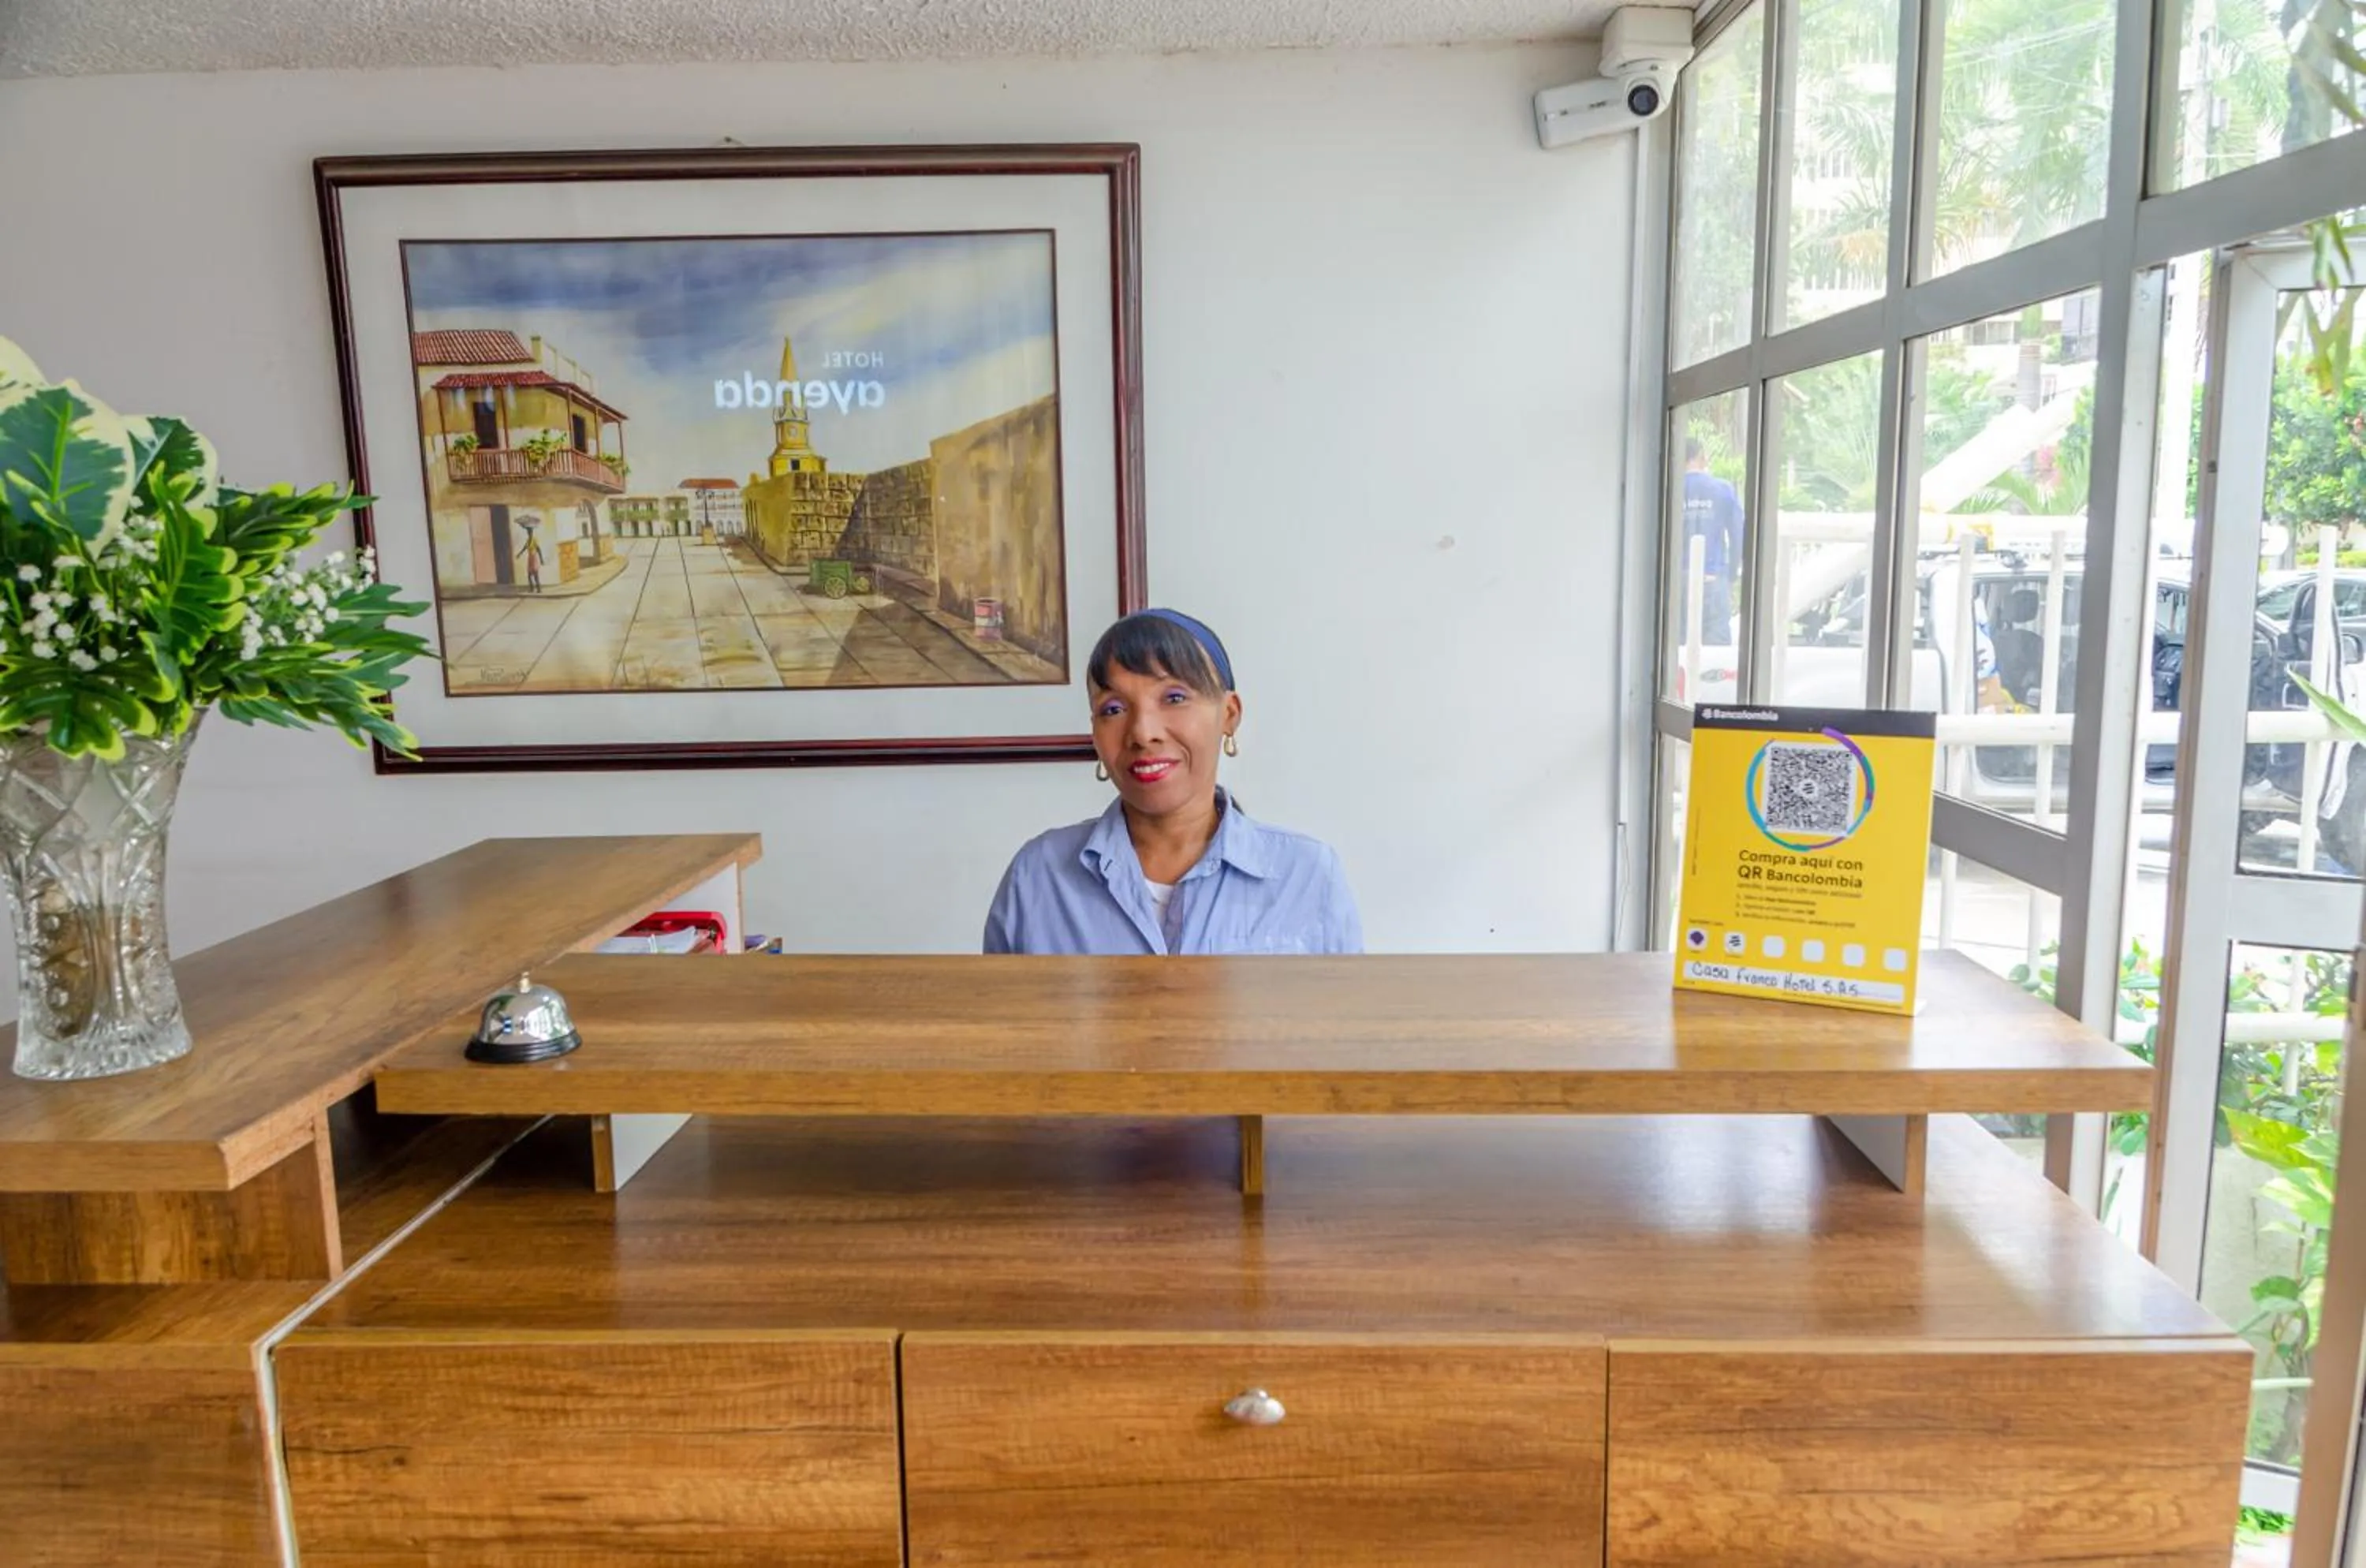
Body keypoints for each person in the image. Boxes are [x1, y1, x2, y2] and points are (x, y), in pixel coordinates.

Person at [984, 609, 1362, 955]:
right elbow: (1000, 1028)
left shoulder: (1306, 875)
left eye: (1175, 697)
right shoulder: (1039, 875)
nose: (1143, 733)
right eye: (1113, 709)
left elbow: (1342, 1025)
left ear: (1229, 714)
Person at [1680, 439, 1743, 644]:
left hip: (1676, 581)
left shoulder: (1666, 488)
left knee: (1675, 650)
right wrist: (1732, 574)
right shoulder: (1722, 489)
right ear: (1702, 457)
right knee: (1716, 658)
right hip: (1713, 577)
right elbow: (1738, 535)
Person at [516, 529, 545, 593]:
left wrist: (541, 559)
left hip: (534, 557)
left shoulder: (534, 540)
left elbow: (538, 549)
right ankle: (532, 588)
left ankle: (539, 589)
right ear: (528, 533)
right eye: (529, 533)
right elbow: (524, 548)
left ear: (532, 533)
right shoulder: (528, 540)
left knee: (535, 574)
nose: (530, 534)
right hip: (530, 558)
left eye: (531, 532)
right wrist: (519, 554)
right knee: (529, 575)